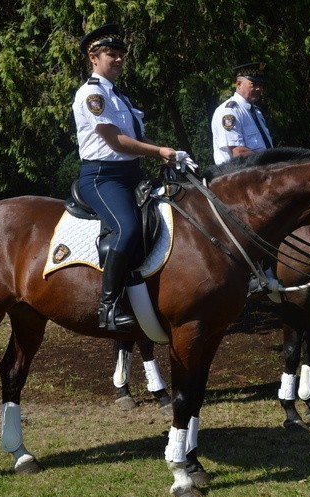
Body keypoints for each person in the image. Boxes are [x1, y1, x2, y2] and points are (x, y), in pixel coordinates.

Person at [73, 23, 177, 331]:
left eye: (120, 54)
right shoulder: (92, 95)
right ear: (93, 58)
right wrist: (159, 151)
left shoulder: (120, 97)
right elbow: (115, 141)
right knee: (127, 229)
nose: (118, 59)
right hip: (103, 178)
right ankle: (108, 307)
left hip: (132, 174)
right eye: (110, 54)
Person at [211, 62, 273, 165]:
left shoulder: (256, 112)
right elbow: (238, 151)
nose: (258, 88)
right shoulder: (229, 112)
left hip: (260, 173)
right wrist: (271, 164)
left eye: (260, 85)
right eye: (253, 84)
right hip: (237, 177)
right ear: (239, 84)